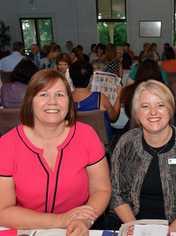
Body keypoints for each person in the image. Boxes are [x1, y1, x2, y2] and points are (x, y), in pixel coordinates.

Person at [0, 69, 111, 236]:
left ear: (69, 101)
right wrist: (61, 220)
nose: (53, 102)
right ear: (30, 101)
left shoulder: (86, 135)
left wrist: (84, 220)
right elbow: (3, 211)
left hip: (78, 228)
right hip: (27, 229)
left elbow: (101, 189)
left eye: (60, 95)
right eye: (43, 94)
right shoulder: (7, 144)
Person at [110, 80, 176, 232]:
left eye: (160, 105)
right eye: (145, 106)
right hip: (131, 224)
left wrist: (169, 232)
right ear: (136, 112)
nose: (153, 112)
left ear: (171, 108)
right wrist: (136, 229)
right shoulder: (125, 143)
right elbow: (116, 193)